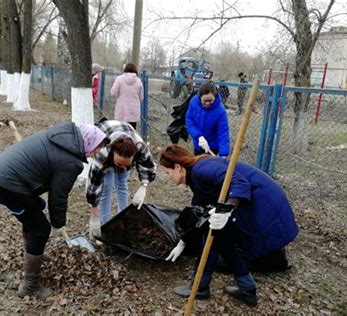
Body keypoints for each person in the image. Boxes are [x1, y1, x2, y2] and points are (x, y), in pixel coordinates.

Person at [159, 145, 299, 307]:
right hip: (251, 202)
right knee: (221, 236)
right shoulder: (196, 178)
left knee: (214, 235)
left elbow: (239, 182)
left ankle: (200, 287)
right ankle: (247, 289)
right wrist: (183, 242)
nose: (168, 177)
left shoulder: (202, 169)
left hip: (262, 202)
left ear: (178, 168)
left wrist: (226, 209)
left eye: (167, 173)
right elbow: (198, 214)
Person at [0, 122, 107, 298]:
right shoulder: (71, 163)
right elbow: (58, 197)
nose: (96, 153)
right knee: (40, 229)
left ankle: (35, 252)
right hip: (8, 183)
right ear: (87, 142)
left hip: (0, 173)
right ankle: (30, 286)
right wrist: (58, 224)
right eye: (96, 148)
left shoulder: (60, 137)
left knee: (35, 213)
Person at [87, 120, 156, 238]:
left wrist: (144, 185)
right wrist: (94, 216)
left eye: (127, 164)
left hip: (125, 131)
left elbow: (148, 165)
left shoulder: (139, 146)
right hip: (107, 132)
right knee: (105, 189)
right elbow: (94, 186)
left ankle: (124, 221)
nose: (123, 167)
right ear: (113, 152)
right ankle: (106, 226)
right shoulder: (102, 153)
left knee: (122, 184)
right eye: (120, 163)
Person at [185, 81, 230, 157]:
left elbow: (223, 132)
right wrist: (199, 137)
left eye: (210, 100)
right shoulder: (193, 102)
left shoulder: (220, 111)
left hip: (212, 148)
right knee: (196, 166)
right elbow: (189, 121)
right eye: (205, 101)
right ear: (200, 97)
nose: (207, 103)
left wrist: (223, 154)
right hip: (198, 144)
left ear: (215, 96)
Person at [110, 63, 144, 130]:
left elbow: (113, 92)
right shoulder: (139, 81)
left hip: (121, 110)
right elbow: (141, 97)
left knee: (120, 132)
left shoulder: (119, 79)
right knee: (131, 133)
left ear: (125, 70)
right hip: (133, 112)